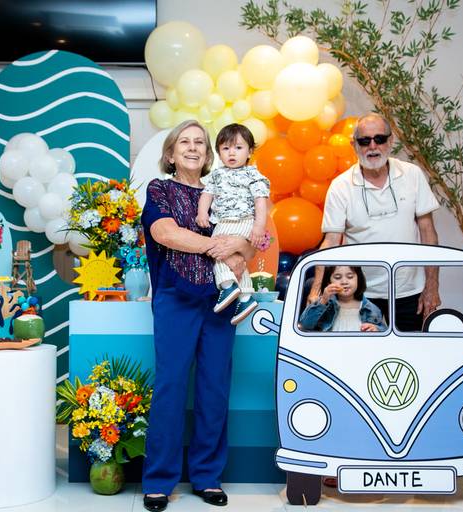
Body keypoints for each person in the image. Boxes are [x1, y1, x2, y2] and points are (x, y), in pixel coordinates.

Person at [140, 120, 255, 511]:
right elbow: (165, 234)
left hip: (220, 300)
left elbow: (249, 242)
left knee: (214, 388)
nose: (193, 148)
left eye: (200, 143)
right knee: (171, 386)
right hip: (176, 298)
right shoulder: (160, 189)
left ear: (208, 154)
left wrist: (239, 245)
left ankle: (207, 477)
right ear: (171, 153)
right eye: (184, 142)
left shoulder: (223, 188)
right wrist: (217, 246)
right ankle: (159, 481)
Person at [309, 113, 441, 331]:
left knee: (410, 350)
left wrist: (432, 286)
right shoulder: (341, 186)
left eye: (379, 139)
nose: (372, 146)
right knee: (363, 352)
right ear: (354, 145)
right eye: (364, 141)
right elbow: (331, 241)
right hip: (360, 294)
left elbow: (428, 232)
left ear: (390, 141)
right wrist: (316, 289)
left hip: (410, 290)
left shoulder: (412, 175)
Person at [196, 123, 270, 325]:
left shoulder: (252, 175)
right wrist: (202, 212)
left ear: (250, 152)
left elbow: (260, 201)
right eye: (225, 148)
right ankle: (246, 297)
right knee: (234, 258)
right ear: (218, 152)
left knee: (217, 249)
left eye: (238, 147)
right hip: (224, 221)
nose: (231, 153)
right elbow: (207, 194)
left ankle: (227, 285)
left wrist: (259, 227)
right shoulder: (217, 174)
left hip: (241, 220)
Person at [299, 265, 386, 332]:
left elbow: (384, 329)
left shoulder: (370, 308)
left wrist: (376, 329)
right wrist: (323, 301)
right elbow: (305, 325)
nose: (344, 282)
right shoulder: (325, 304)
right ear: (329, 282)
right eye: (337, 277)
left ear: (358, 279)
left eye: (350, 277)